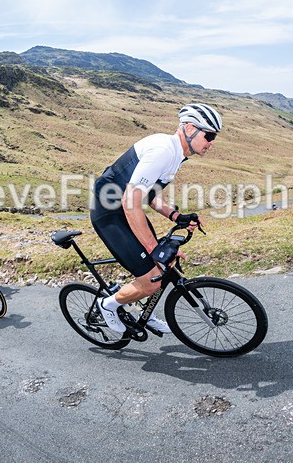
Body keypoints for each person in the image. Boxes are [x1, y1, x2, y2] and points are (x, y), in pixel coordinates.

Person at [90, 103, 221, 335]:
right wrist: (153, 248)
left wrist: (175, 215)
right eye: (209, 135)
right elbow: (131, 202)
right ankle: (107, 306)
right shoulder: (163, 151)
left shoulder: (177, 154)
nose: (212, 143)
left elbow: (150, 195)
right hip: (110, 214)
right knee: (152, 279)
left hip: (126, 211)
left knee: (161, 266)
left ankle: (143, 312)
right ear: (190, 129)